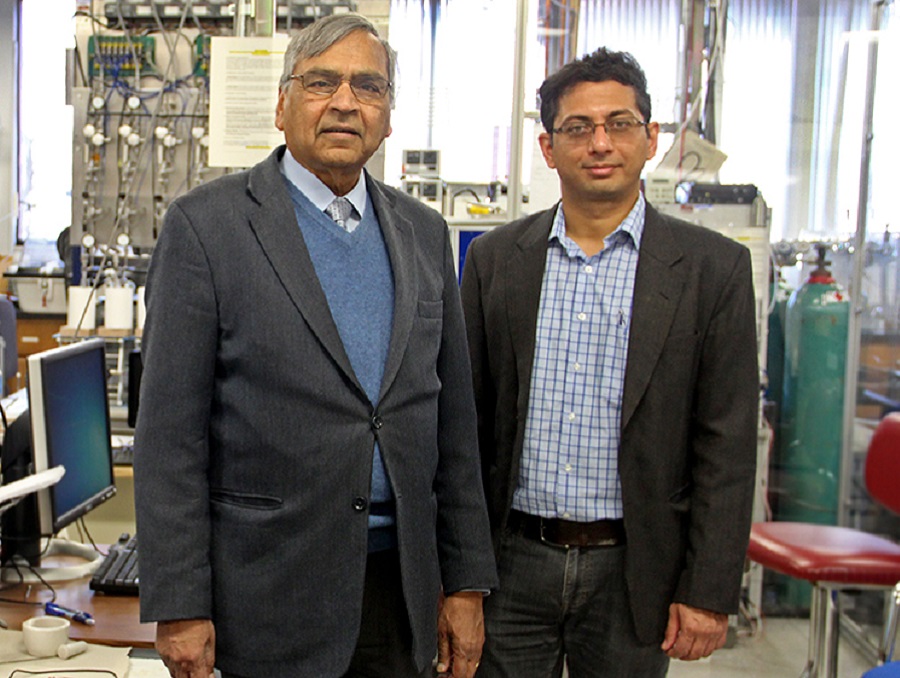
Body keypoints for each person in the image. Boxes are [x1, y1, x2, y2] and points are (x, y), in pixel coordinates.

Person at [133, 13, 497, 678]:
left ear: (387, 116)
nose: (344, 102)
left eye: (368, 87)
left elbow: (454, 430)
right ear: (281, 105)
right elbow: (168, 436)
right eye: (320, 82)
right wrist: (180, 601)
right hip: (268, 593)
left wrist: (466, 581)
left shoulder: (422, 232)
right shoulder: (206, 227)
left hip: (403, 591)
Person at [460, 47, 759, 677]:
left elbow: (726, 444)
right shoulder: (495, 260)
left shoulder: (713, 270)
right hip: (512, 560)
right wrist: (457, 571)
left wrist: (707, 589)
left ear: (650, 138)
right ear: (548, 147)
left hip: (636, 566)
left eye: (619, 124)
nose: (600, 143)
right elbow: (463, 426)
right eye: (578, 128)